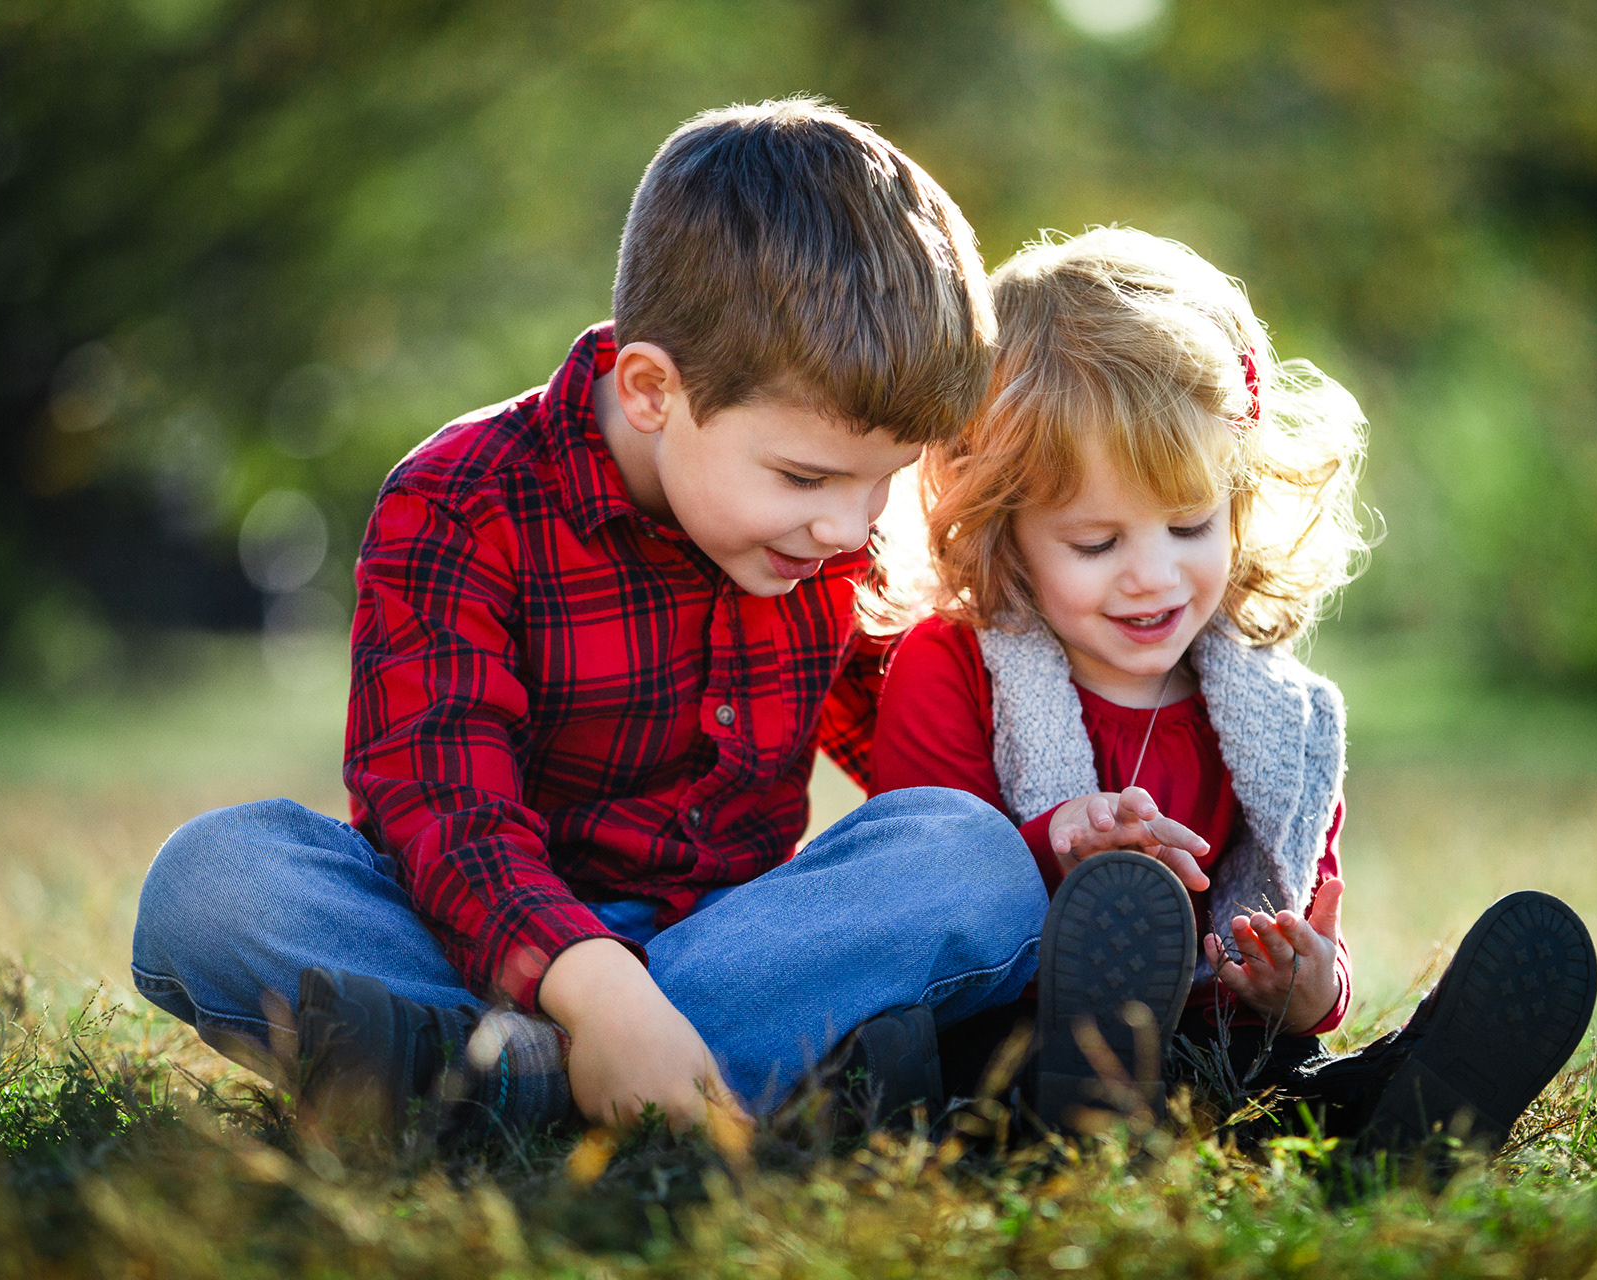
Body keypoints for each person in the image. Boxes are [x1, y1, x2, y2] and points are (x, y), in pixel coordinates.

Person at [129, 99, 1050, 1142]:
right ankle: (684, 1065)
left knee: (971, 854)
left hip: (726, 948)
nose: (850, 526)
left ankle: (502, 1078)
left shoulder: (829, 536)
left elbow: (928, 747)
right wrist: (591, 986)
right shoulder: (460, 501)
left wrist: (1074, 816)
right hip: (473, 934)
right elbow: (438, 802)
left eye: (884, 480)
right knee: (213, 883)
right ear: (653, 389)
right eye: (805, 474)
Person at [874, 227, 1597, 1153]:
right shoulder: (956, 670)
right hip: (1030, 1038)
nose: (1154, 577)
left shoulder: (1272, 715)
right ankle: (1090, 1118)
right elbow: (911, 905)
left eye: (1189, 524)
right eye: (1097, 543)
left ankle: (1409, 1114)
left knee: (1292, 1092)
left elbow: (1311, 912)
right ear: (1000, 527)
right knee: (968, 1076)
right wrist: (1049, 846)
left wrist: (1310, 987)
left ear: (1239, 497)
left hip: (1230, 1052)